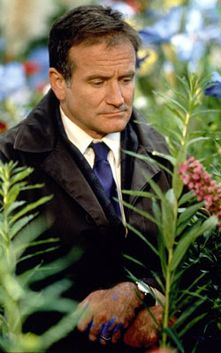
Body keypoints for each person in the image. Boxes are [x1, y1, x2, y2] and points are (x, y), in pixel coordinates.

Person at [0, 5, 171, 353]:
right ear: (58, 83)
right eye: (98, 82)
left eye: (126, 79)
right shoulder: (10, 159)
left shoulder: (160, 149)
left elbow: (189, 263)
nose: (118, 98)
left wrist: (141, 294)